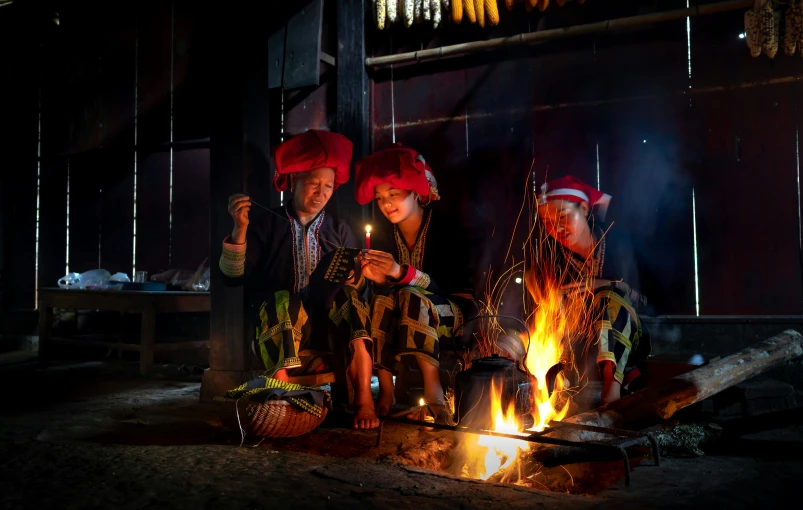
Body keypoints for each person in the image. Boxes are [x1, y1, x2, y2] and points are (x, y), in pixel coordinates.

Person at [219, 129, 379, 429]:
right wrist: (240, 229)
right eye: (314, 183)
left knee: (351, 300)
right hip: (279, 329)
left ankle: (363, 401)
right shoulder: (265, 224)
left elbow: (358, 284)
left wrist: (357, 279)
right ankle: (281, 393)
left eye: (329, 186)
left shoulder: (339, 230)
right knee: (283, 299)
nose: (321, 193)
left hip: (329, 329)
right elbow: (232, 278)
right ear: (293, 181)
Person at [354, 143, 477, 423]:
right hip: (403, 313)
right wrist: (379, 278)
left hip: (453, 313)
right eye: (380, 197)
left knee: (411, 295)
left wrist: (400, 272)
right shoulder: (386, 233)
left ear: (416, 194)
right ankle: (386, 390)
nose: (386, 204)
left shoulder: (446, 228)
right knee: (382, 298)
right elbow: (388, 287)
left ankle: (433, 390)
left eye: (394, 194)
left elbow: (448, 287)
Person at [536, 175, 651, 406]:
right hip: (580, 350)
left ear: (585, 209)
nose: (556, 228)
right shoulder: (554, 261)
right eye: (547, 223)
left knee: (608, 298)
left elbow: (645, 301)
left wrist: (605, 285)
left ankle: (612, 395)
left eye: (564, 217)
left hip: (630, 341)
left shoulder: (618, 245)